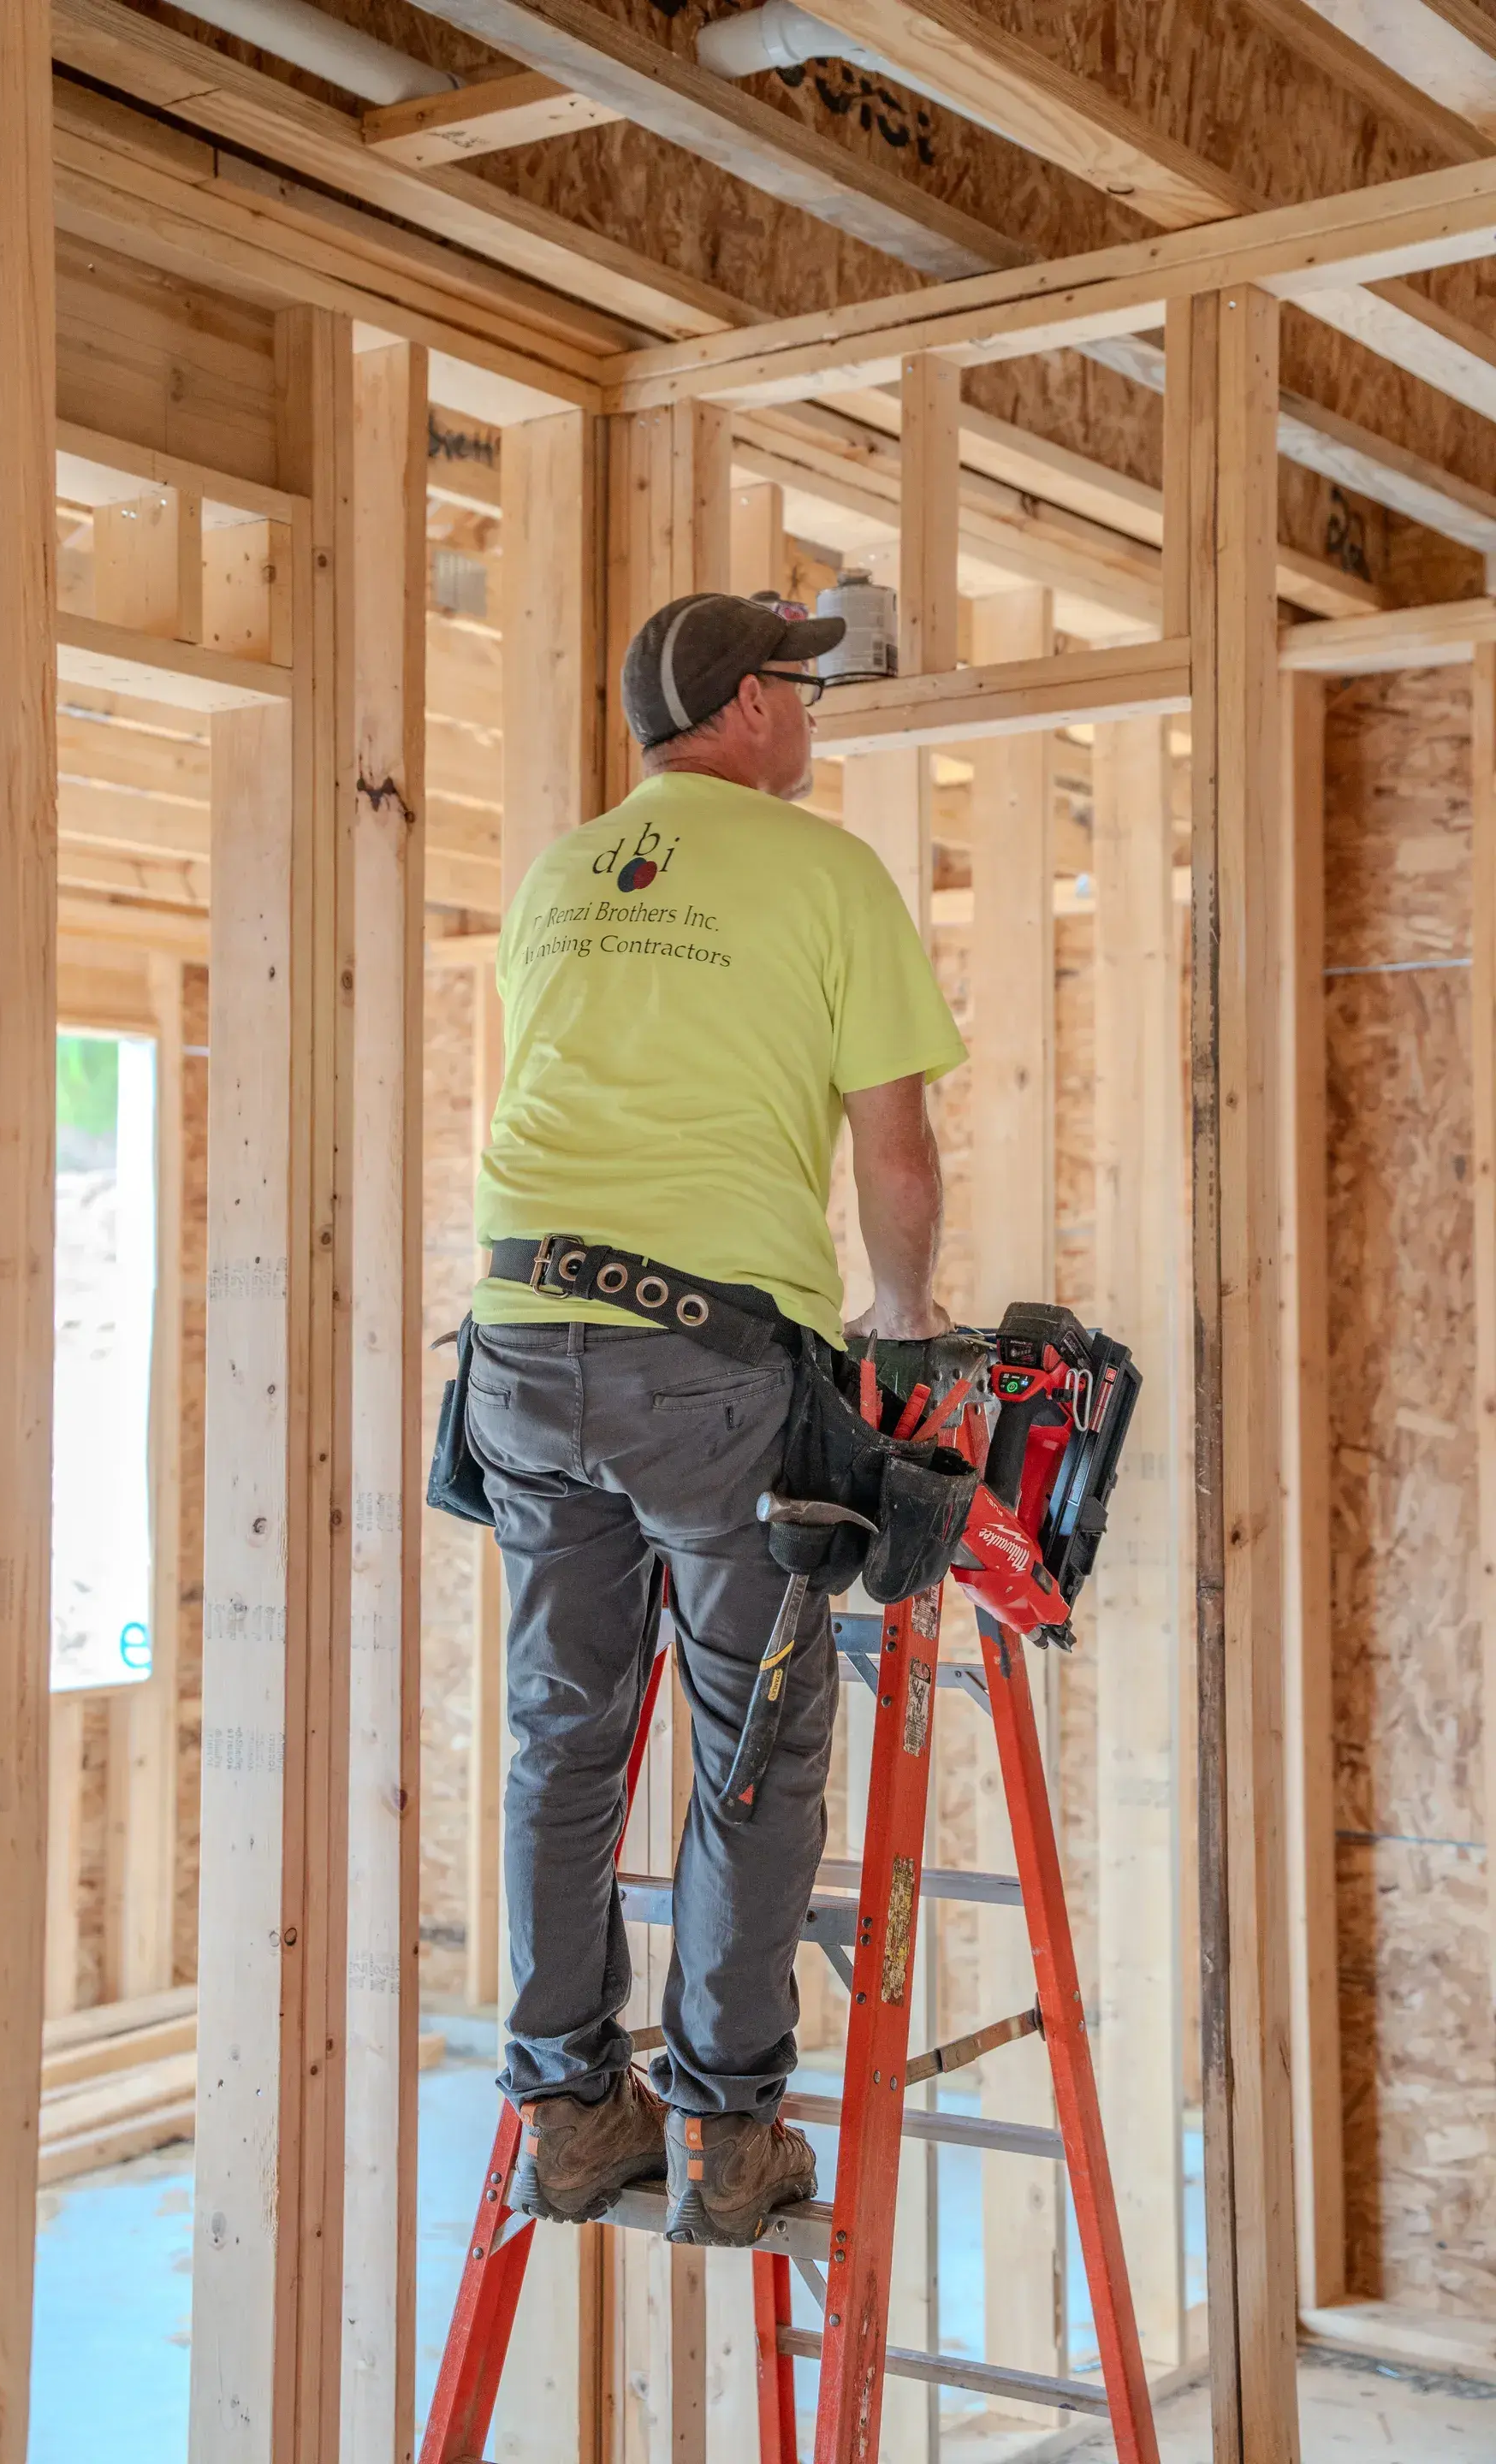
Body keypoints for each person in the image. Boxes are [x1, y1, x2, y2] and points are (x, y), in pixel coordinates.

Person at [468, 588, 967, 2248]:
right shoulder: (824, 872)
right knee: (754, 1738)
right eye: (805, 688)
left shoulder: (560, 870)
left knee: (564, 1730)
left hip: (525, 1346)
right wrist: (903, 1333)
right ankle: (725, 2133)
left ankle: (563, 2105)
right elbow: (892, 1151)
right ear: (749, 705)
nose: (816, 714)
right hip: (709, 1371)